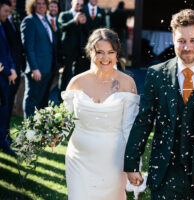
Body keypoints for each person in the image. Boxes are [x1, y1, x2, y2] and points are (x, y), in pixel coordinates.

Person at [124, 9, 194, 200]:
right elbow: (144, 120)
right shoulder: (156, 74)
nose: (187, 47)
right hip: (164, 173)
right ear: (173, 39)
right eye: (181, 40)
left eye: (193, 40)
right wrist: (132, 162)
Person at [62, 28, 139, 199]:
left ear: (117, 54)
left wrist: (134, 165)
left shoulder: (127, 83)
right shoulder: (77, 82)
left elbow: (130, 129)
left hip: (113, 162)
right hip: (78, 160)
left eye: (110, 52)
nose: (105, 58)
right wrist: (48, 133)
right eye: (100, 52)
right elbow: (64, 121)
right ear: (90, 52)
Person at [21, 0, 57, 118]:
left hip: (48, 69)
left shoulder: (46, 20)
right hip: (37, 70)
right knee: (32, 101)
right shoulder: (30, 21)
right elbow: (28, 48)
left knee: (42, 102)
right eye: (38, 3)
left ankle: (39, 131)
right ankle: (29, 132)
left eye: (43, 3)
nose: (41, 6)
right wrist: (34, 68)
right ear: (33, 6)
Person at [3, 0, 25, 140]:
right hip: (6, 70)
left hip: (15, 68)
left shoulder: (13, 18)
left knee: (9, 103)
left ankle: (5, 133)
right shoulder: (3, 21)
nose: (13, 3)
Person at [57, 0, 86, 101]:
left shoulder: (84, 15)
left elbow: (86, 32)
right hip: (67, 52)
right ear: (72, 3)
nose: (79, 6)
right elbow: (61, 27)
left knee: (78, 79)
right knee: (65, 78)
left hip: (80, 53)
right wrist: (74, 20)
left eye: (81, 5)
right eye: (77, 3)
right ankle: (60, 102)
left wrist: (84, 23)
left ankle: (75, 102)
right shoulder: (64, 14)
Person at [0, 0, 17, 155]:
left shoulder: (2, 25)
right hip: (2, 76)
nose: (8, 14)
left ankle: (3, 142)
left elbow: (7, 51)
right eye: (5, 10)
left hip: (5, 76)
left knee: (4, 111)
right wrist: (7, 72)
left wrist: (12, 69)